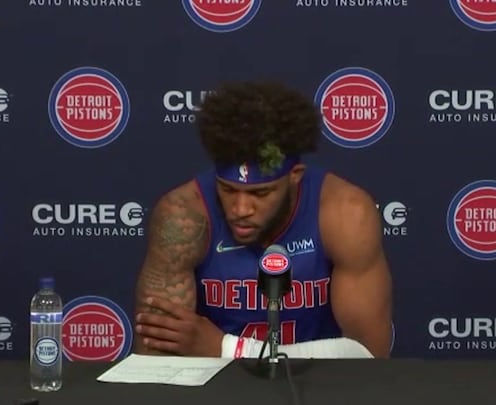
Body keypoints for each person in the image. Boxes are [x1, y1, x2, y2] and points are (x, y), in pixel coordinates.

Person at [133, 80, 393, 359]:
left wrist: (228, 349)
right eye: (228, 189)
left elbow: (369, 354)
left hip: (316, 381)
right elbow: (155, 365)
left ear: (295, 177)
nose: (240, 208)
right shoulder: (183, 218)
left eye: (260, 193)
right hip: (215, 381)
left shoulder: (345, 213)